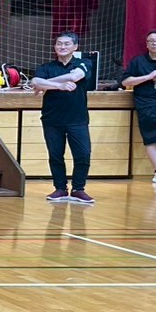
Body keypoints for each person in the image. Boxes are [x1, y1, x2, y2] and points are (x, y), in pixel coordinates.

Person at [32, 33, 95, 204]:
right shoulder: (46, 67)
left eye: (67, 44)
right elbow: (35, 81)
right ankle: (60, 188)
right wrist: (58, 86)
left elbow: (74, 77)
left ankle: (78, 189)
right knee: (55, 155)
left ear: (75, 47)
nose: (62, 47)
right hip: (52, 119)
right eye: (59, 44)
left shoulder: (84, 63)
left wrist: (45, 83)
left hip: (77, 119)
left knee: (83, 154)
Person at [120, 29, 156, 185]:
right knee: (152, 138)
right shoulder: (138, 61)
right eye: (151, 41)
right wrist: (148, 77)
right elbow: (125, 82)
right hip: (146, 106)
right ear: (147, 44)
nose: (155, 43)